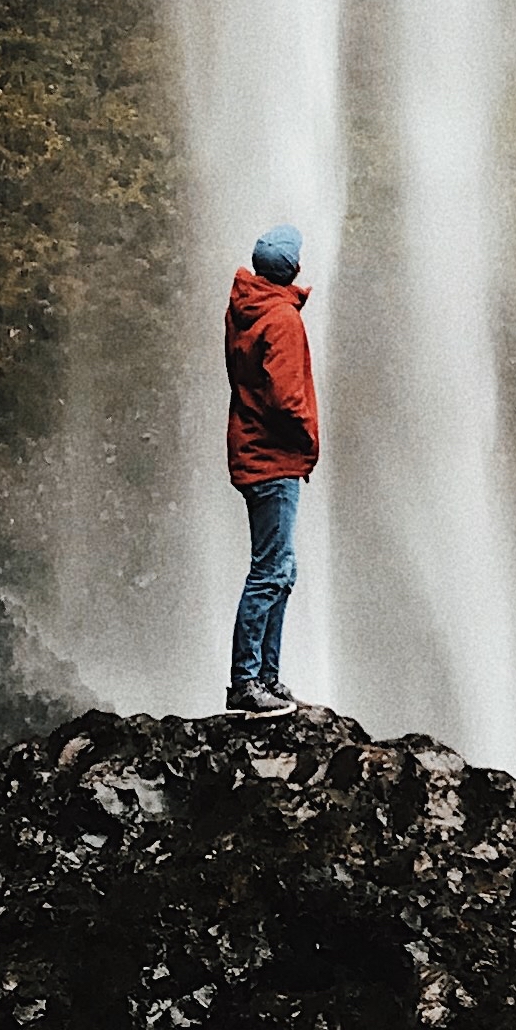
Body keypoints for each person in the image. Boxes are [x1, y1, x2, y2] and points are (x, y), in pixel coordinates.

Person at [223, 223, 316, 715]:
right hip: (273, 458)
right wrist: (306, 438)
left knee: (283, 569)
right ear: (293, 267)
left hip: (253, 452)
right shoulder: (282, 318)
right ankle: (246, 681)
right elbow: (285, 397)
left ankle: (268, 677)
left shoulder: (246, 307)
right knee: (270, 570)